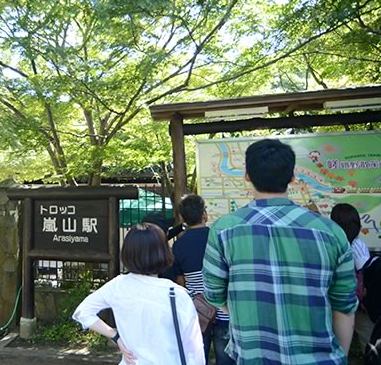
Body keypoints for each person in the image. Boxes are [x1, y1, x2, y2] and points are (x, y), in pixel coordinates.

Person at [203, 139, 358, 364]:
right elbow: (344, 306)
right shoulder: (331, 232)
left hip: (253, 357)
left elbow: (214, 295)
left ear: (247, 176)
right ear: (293, 176)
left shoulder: (223, 230)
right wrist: (339, 356)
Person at [73, 223, 205, 365]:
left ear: (128, 253)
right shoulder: (177, 294)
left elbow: (82, 312)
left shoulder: (118, 286)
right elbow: (194, 349)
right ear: (163, 252)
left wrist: (115, 336)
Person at [173, 195, 233, 365]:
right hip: (224, 310)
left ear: (183, 218)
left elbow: (180, 283)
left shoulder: (179, 245)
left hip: (198, 312)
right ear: (204, 214)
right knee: (226, 359)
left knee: (198, 359)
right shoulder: (219, 238)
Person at [331, 203, 377, 348]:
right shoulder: (360, 246)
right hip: (362, 307)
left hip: (338, 304)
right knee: (368, 342)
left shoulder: (332, 245)